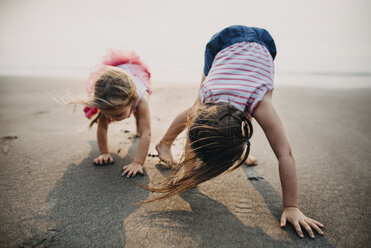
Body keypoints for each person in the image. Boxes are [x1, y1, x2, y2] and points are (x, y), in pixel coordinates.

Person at [153, 25, 324, 238]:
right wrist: (189, 172)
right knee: (194, 111)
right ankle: (164, 143)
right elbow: (193, 132)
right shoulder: (208, 95)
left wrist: (291, 206)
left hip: (261, 45)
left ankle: (230, 140)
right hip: (221, 48)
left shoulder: (260, 102)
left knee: (207, 111)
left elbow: (285, 154)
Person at [79, 49, 152, 177]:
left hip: (134, 72)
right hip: (113, 78)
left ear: (133, 100)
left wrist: (138, 162)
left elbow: (147, 133)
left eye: (118, 115)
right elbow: (102, 126)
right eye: (108, 114)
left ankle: (137, 127)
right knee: (102, 117)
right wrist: (104, 153)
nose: (112, 119)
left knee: (140, 117)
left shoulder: (141, 99)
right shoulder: (106, 100)